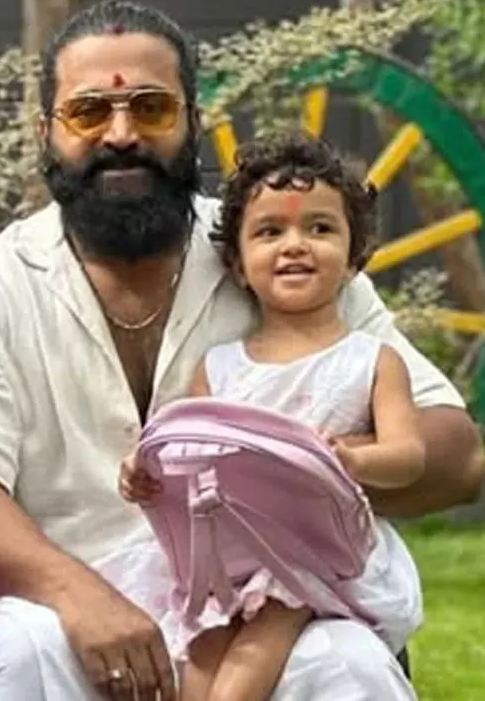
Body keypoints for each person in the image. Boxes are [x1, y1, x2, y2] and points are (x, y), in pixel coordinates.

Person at [0, 0, 483, 701]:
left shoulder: (278, 252)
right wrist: (79, 598)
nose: (121, 134)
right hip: (71, 607)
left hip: (270, 613)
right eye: (88, 112)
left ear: (193, 122)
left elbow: (457, 459)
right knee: (22, 646)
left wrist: (310, 465)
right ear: (45, 132)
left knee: (349, 663)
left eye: (151, 108)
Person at [118, 134, 426, 701]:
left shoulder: (371, 360)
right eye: (269, 232)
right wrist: (144, 470)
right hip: (228, 544)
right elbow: (187, 442)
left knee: (270, 623)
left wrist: (355, 460)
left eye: (320, 228)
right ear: (238, 265)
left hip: (315, 548)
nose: (295, 245)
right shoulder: (219, 365)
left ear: (355, 258)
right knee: (202, 640)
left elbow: (410, 456)